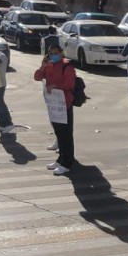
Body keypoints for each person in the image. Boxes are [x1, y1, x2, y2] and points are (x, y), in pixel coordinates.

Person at [34, 43, 77, 175]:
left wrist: (55, 85)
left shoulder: (67, 66)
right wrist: (43, 66)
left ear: (61, 53)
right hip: (54, 105)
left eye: (55, 53)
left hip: (65, 104)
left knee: (65, 135)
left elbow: (70, 84)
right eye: (51, 53)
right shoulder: (50, 65)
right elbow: (37, 77)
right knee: (59, 133)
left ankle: (67, 163)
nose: (53, 55)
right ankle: (61, 159)